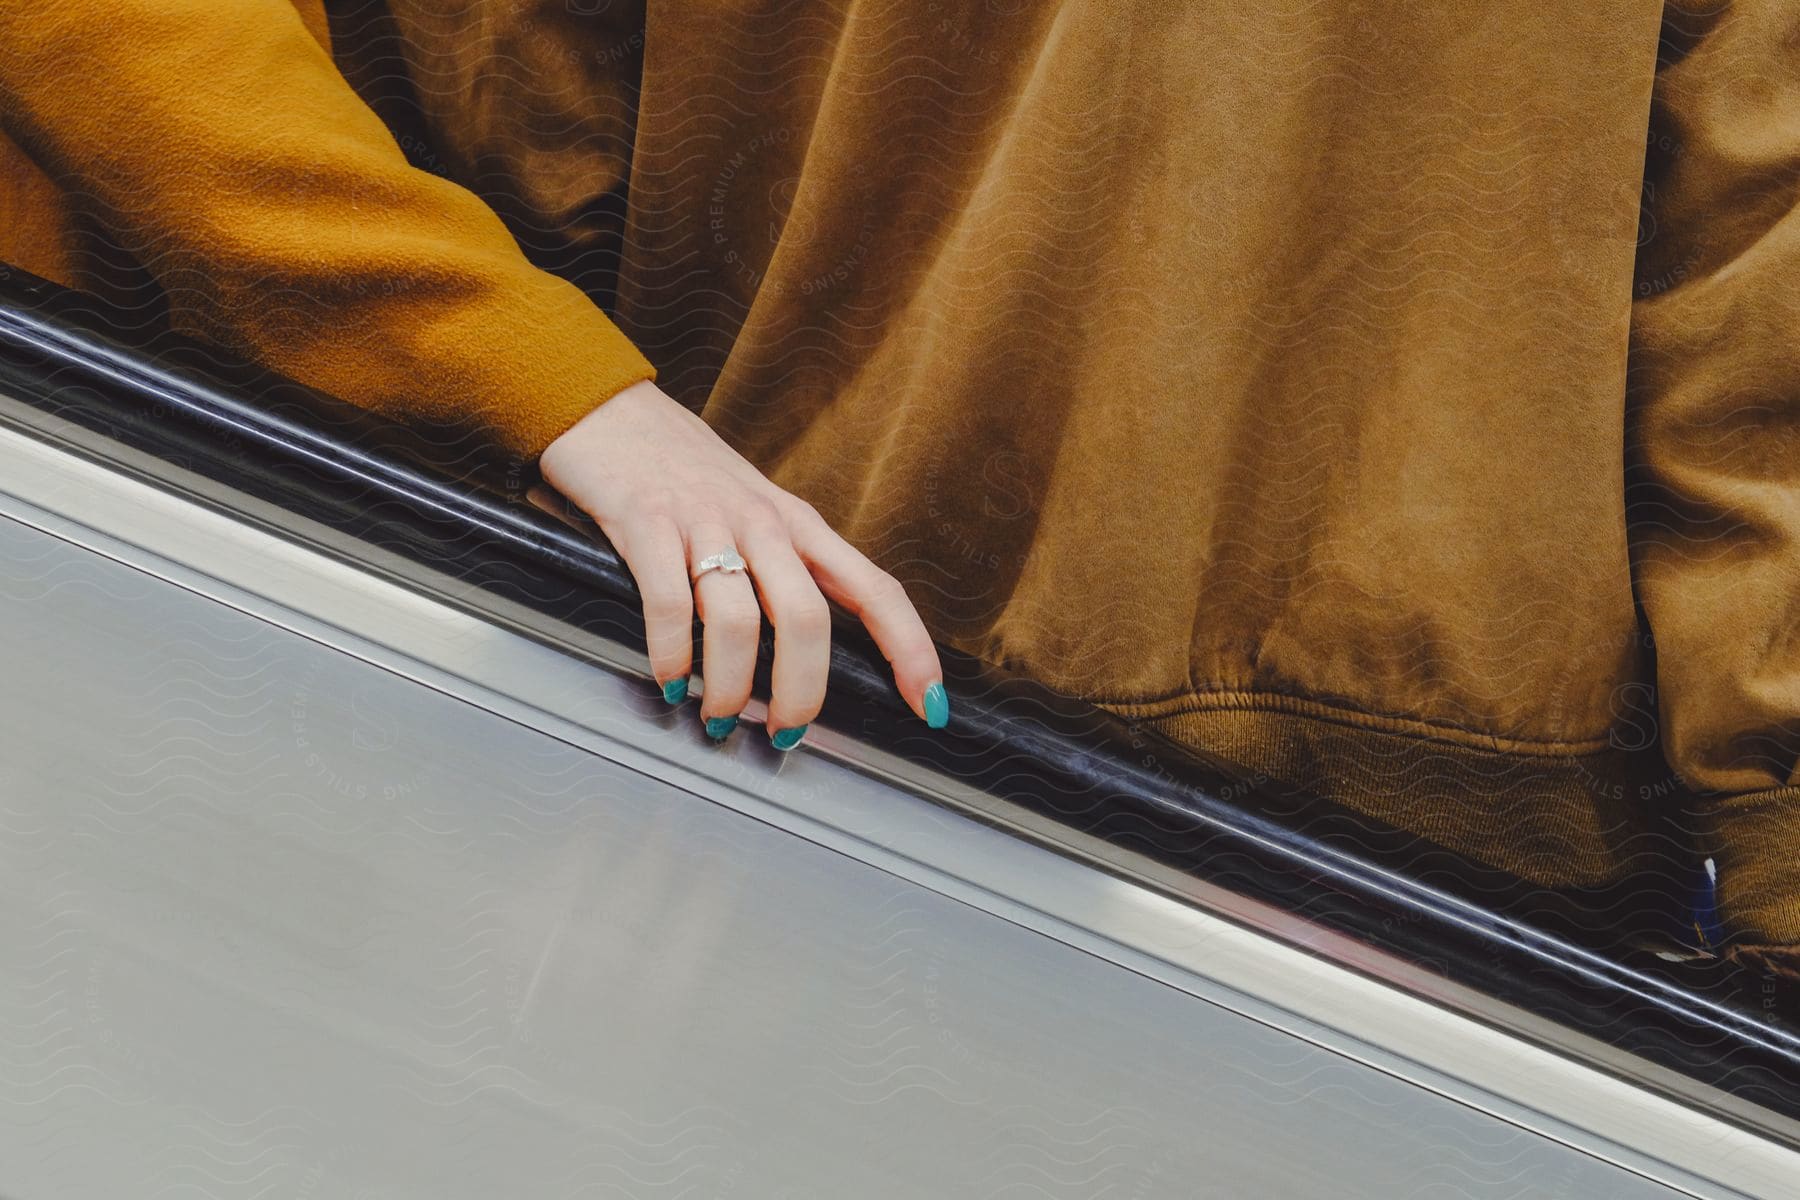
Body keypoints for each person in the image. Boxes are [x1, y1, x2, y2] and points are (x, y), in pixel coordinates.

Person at [4, 0, 1799, 976]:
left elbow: (537, 104)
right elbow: (1750, 325)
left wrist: (569, 403)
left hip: (802, 689)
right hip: (1468, 877)